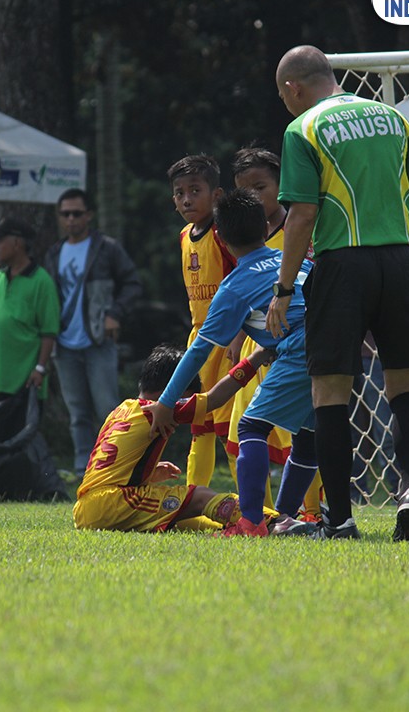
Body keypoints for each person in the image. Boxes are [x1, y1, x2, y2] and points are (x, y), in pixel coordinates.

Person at [267, 45, 409, 541]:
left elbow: (301, 215)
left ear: (293, 87)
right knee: (406, 384)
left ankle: (340, 519)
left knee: (330, 389)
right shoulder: (393, 119)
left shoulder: (304, 129)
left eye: (283, 95)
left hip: (342, 264)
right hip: (404, 259)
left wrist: (283, 288)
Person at [148, 189, 318, 537]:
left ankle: (251, 522)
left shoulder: (234, 286)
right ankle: (284, 517)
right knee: (307, 435)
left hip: (300, 350)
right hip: (334, 346)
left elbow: (198, 353)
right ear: (264, 227)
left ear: (221, 239)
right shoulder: (293, 258)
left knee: (251, 428)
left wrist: (165, 403)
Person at [74, 343, 277, 533]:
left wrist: (148, 472)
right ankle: (272, 520)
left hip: (85, 507)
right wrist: (256, 357)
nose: (186, 402)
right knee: (199, 496)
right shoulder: (159, 409)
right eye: (186, 396)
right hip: (114, 503)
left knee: (182, 518)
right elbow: (215, 399)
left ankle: (243, 524)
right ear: (173, 388)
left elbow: (108, 465)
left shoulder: (120, 411)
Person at [230, 146, 323, 520]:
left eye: (261, 186)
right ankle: (273, 512)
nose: (254, 197)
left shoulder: (301, 225)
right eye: (245, 190)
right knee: (250, 433)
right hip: (261, 344)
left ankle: (303, 511)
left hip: (298, 340)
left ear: (281, 185)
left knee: (286, 429)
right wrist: (237, 340)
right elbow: (236, 293)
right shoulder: (244, 234)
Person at [43, 189, 141, 474]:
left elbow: (133, 283)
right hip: (64, 342)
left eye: (76, 213)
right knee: (77, 413)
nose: (71, 219)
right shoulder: (54, 252)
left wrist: (114, 313)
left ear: (89, 215)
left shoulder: (106, 247)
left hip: (99, 339)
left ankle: (114, 468)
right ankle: (82, 470)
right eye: (65, 214)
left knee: (108, 409)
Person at [168, 154, 236, 488]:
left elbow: (245, 281)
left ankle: (260, 510)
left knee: (231, 428)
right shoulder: (184, 237)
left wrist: (239, 337)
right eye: (180, 192)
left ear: (217, 195)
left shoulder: (225, 234)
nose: (186, 199)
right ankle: (191, 502)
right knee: (199, 423)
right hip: (199, 340)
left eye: (195, 190)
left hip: (230, 340)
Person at [0, 217, 60, 409]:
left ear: (17, 243)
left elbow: (49, 332)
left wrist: (40, 368)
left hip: (24, 384)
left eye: (0, 240)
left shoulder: (42, 282)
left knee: (21, 437)